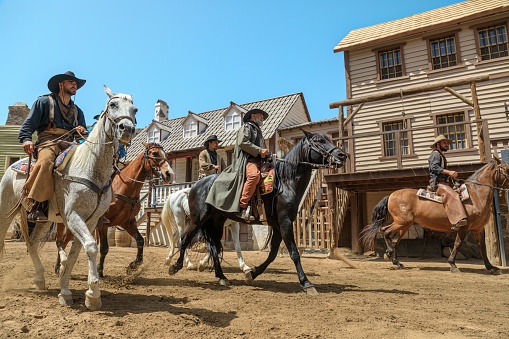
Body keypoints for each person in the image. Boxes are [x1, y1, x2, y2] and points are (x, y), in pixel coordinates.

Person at [19, 71, 87, 222]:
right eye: (71, 82)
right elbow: (28, 125)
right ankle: (37, 205)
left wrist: (81, 131)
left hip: (71, 144)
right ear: (61, 85)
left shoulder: (78, 111)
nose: (75, 85)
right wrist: (26, 139)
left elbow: (82, 138)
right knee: (45, 162)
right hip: (48, 141)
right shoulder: (43, 102)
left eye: (76, 83)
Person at [205, 108, 270, 221]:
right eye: (261, 116)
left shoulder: (258, 131)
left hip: (260, 162)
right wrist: (260, 150)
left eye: (263, 117)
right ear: (253, 116)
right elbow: (242, 142)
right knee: (254, 176)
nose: (263, 118)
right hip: (248, 161)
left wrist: (268, 155)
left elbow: (261, 151)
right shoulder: (247, 127)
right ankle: (242, 207)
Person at [428, 134, 467, 231]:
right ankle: (457, 220)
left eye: (446, 143)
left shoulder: (441, 155)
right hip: (438, 184)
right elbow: (434, 167)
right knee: (453, 195)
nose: (446, 144)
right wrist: (449, 172)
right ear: (438, 144)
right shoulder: (436, 154)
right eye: (444, 142)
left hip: (444, 182)